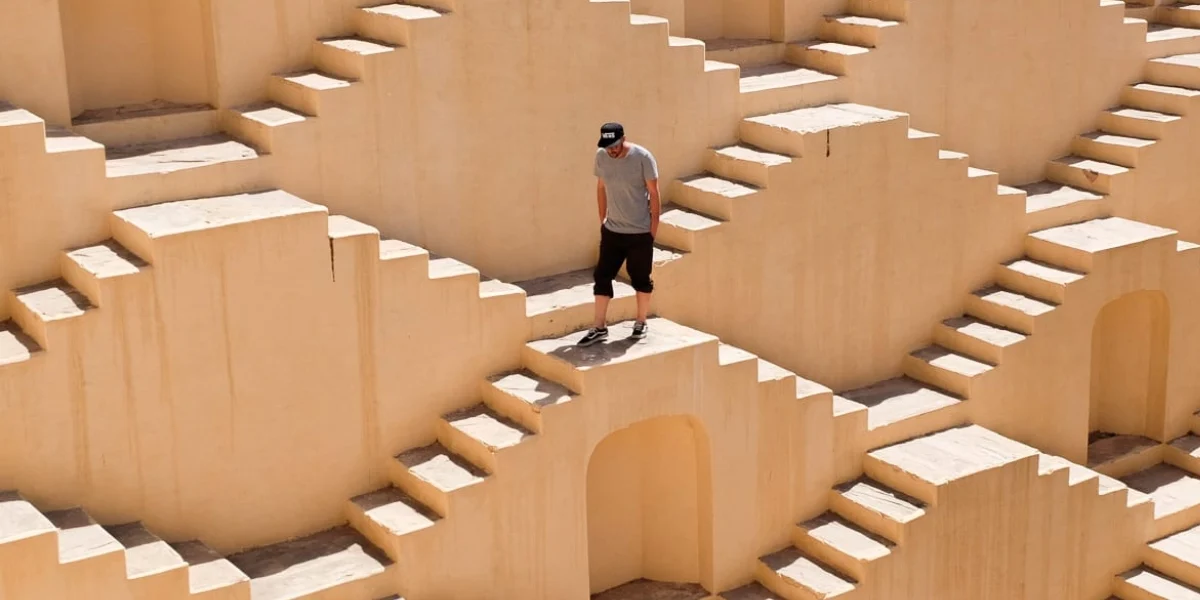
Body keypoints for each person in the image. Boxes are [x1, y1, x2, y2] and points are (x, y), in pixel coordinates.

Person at [578, 122, 660, 346]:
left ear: (623, 139)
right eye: (607, 146)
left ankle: (641, 322)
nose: (611, 150)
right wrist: (602, 218)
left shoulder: (643, 157)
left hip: (639, 232)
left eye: (614, 145)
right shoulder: (602, 157)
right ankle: (599, 327)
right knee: (602, 276)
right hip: (613, 231)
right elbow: (601, 187)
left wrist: (653, 228)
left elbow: (654, 193)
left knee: (640, 278)